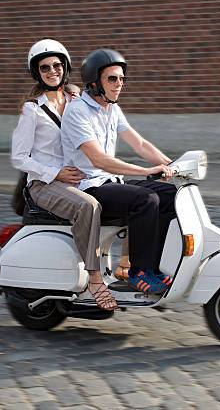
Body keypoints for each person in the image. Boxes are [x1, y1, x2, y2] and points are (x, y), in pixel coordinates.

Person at [11, 39, 119, 311]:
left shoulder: (74, 100)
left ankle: (127, 268)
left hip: (78, 179)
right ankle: (95, 279)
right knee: (88, 206)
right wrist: (55, 173)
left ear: (65, 66)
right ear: (37, 73)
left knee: (131, 196)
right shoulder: (31, 110)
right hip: (44, 184)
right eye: (44, 67)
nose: (52, 71)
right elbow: (19, 157)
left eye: (57, 65)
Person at [61, 48, 176, 294]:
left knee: (170, 196)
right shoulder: (77, 111)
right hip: (90, 187)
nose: (119, 84)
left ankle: (153, 267)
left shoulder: (112, 108)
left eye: (122, 79)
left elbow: (140, 144)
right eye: (113, 78)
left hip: (111, 182)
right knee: (146, 200)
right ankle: (138, 272)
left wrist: (171, 164)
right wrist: (146, 170)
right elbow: (99, 160)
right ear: (94, 83)